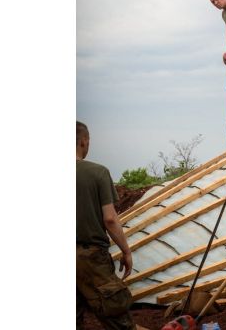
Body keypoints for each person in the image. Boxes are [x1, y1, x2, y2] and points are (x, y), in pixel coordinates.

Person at [76, 121, 137, 330]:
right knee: (117, 318)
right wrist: (126, 251)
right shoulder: (97, 172)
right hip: (90, 258)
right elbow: (110, 219)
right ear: (84, 142)